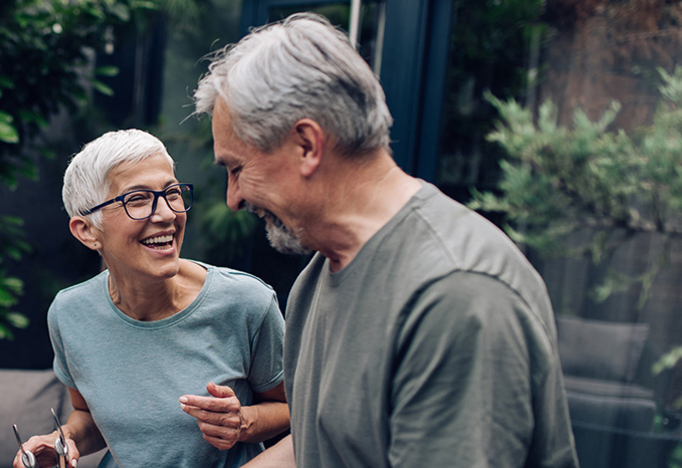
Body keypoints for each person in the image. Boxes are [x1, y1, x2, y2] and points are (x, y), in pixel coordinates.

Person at [192, 12, 579, 468]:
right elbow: (323, 446)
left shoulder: (456, 293)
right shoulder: (317, 277)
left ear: (307, 146)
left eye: (237, 169)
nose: (233, 198)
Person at [13, 129, 290, 468]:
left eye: (172, 193)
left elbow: (296, 409)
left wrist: (244, 423)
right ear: (87, 231)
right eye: (138, 199)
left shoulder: (246, 302)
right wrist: (64, 440)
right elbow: (88, 415)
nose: (167, 215)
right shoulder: (70, 313)